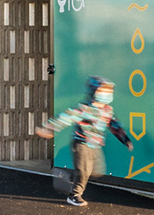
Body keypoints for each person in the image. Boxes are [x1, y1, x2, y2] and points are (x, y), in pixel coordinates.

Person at [34, 74, 135, 207]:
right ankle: (74, 195)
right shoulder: (84, 108)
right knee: (84, 171)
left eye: (109, 92)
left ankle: (67, 176)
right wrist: (49, 129)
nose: (107, 94)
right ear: (94, 91)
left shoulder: (107, 110)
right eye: (103, 91)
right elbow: (66, 117)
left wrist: (125, 139)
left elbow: (114, 125)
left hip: (95, 145)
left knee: (96, 171)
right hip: (81, 143)